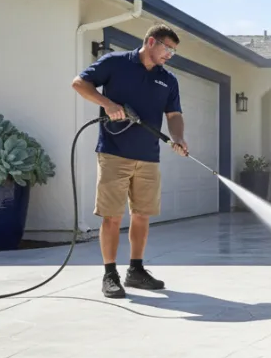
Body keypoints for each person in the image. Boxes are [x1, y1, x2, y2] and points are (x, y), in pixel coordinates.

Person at [72, 24, 189, 298]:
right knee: (112, 216)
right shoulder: (116, 62)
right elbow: (79, 83)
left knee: (142, 215)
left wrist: (178, 137)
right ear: (151, 42)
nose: (170, 55)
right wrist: (107, 104)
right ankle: (110, 274)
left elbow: (173, 114)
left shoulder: (168, 80)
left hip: (149, 156)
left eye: (173, 51)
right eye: (167, 48)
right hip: (114, 152)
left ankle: (135, 270)